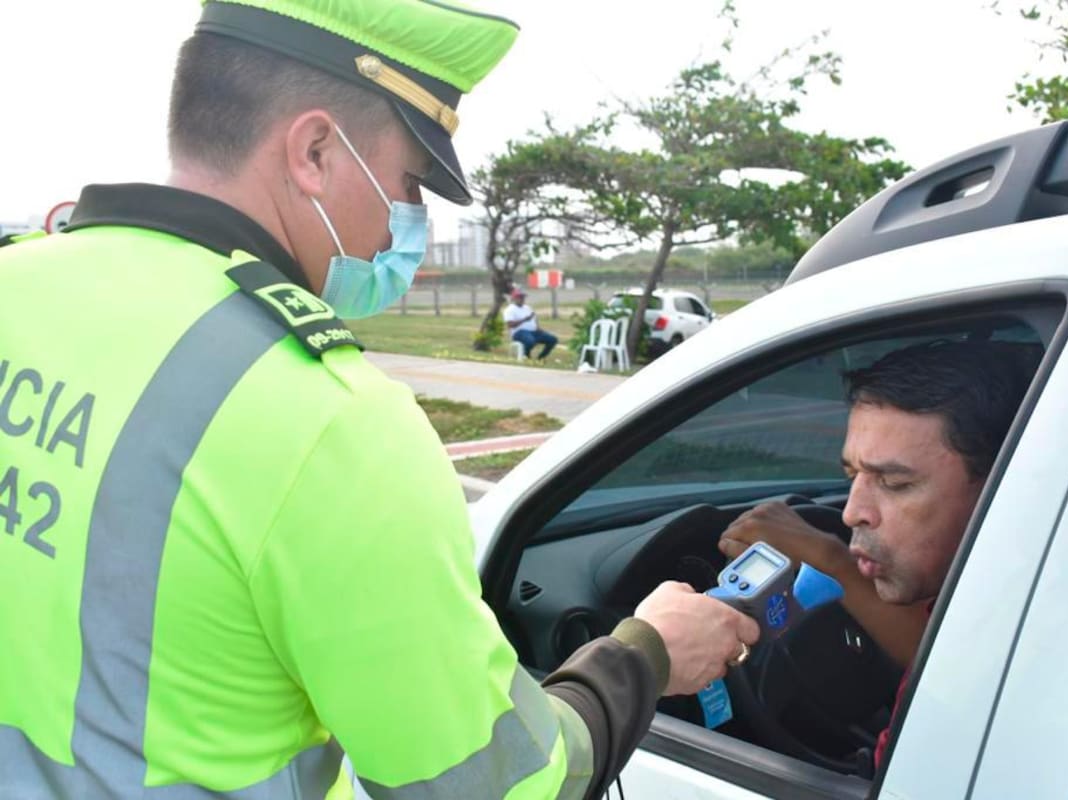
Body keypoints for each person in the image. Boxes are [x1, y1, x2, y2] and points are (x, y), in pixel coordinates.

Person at [0, 2, 757, 798]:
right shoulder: (326, 421)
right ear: (315, 152)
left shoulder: (20, 284)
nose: (411, 225)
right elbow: (491, 787)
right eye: (407, 185)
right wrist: (646, 654)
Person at [719, 339, 1041, 770]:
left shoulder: (1061, 628)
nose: (853, 512)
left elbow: (975, 686)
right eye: (852, 475)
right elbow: (945, 661)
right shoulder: (1012, 585)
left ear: (1002, 484)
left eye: (893, 482)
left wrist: (833, 562)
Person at [504, 287, 558, 360]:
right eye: (519, 297)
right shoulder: (510, 309)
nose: (522, 299)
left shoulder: (527, 307)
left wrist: (538, 327)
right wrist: (524, 320)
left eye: (523, 297)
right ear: (514, 298)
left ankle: (540, 358)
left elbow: (534, 318)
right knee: (530, 341)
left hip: (533, 331)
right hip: (519, 332)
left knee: (553, 339)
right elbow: (510, 325)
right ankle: (526, 356)